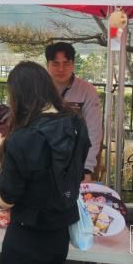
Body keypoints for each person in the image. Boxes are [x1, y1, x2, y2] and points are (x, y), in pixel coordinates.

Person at [0, 61, 90, 264]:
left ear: (18, 96)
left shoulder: (23, 138)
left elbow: (4, 200)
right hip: (59, 234)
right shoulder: (75, 124)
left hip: (25, 238)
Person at [45, 42, 103, 182]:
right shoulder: (37, 89)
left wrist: (86, 168)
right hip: (42, 159)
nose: (61, 69)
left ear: (73, 64)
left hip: (75, 159)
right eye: (55, 63)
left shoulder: (87, 90)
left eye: (66, 63)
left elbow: (93, 131)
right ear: (47, 65)